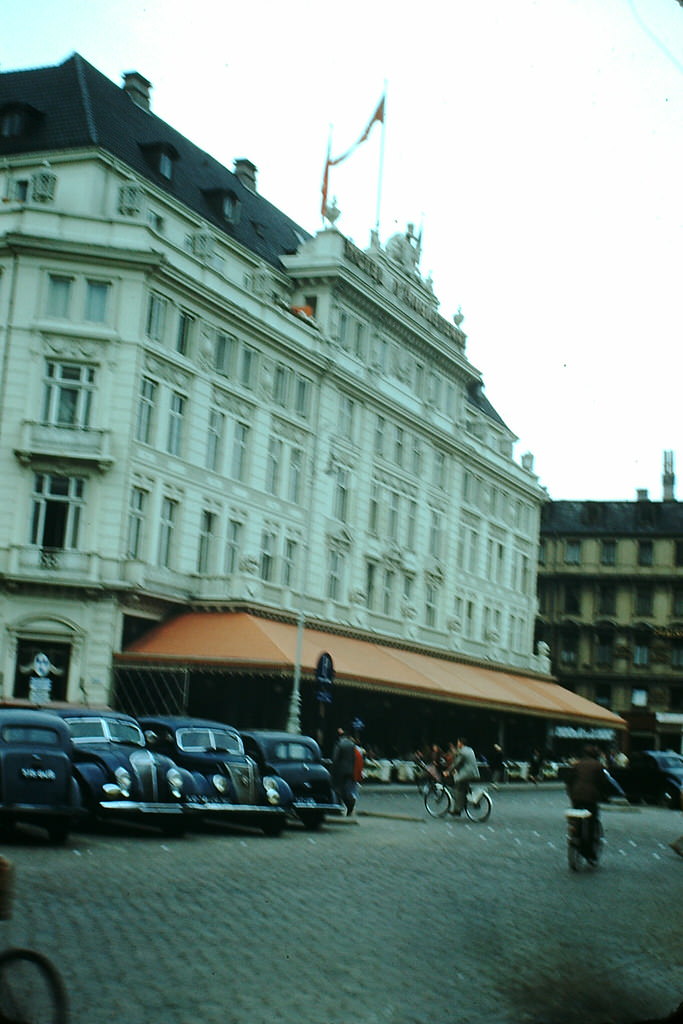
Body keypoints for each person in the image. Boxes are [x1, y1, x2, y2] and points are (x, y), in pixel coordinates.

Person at [565, 744, 611, 864]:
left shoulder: (577, 764)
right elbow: (603, 783)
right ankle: (588, 851)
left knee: (577, 817)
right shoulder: (598, 766)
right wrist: (605, 796)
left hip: (576, 796)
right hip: (590, 798)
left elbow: (569, 780)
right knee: (591, 820)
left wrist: (571, 793)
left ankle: (575, 834)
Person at [331, 728, 359, 816]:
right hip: (350, 770)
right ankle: (350, 805)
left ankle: (339, 807)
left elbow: (335, 759)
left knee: (338, 789)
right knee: (347, 789)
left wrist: (332, 769)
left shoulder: (339, 745)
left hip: (340, 771)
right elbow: (355, 758)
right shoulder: (352, 745)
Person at [450, 737, 480, 816]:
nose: (457, 744)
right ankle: (465, 801)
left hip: (467, 774)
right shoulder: (469, 749)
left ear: (460, 743)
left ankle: (457, 809)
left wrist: (447, 771)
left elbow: (456, 763)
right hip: (474, 773)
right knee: (463, 788)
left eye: (458, 742)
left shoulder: (462, 752)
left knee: (457, 786)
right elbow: (464, 762)